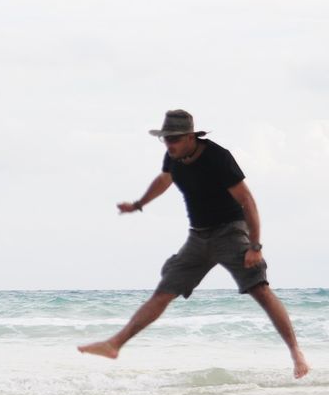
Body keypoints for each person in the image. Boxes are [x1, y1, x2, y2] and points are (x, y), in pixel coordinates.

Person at [78, 109, 309, 379]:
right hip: (198, 238)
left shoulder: (218, 158)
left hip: (230, 233)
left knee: (260, 290)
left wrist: (254, 246)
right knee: (164, 291)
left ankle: (296, 354)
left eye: (174, 139)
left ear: (191, 137)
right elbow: (164, 179)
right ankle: (113, 345)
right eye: (165, 139)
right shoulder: (173, 157)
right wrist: (139, 205)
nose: (169, 144)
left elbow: (247, 200)